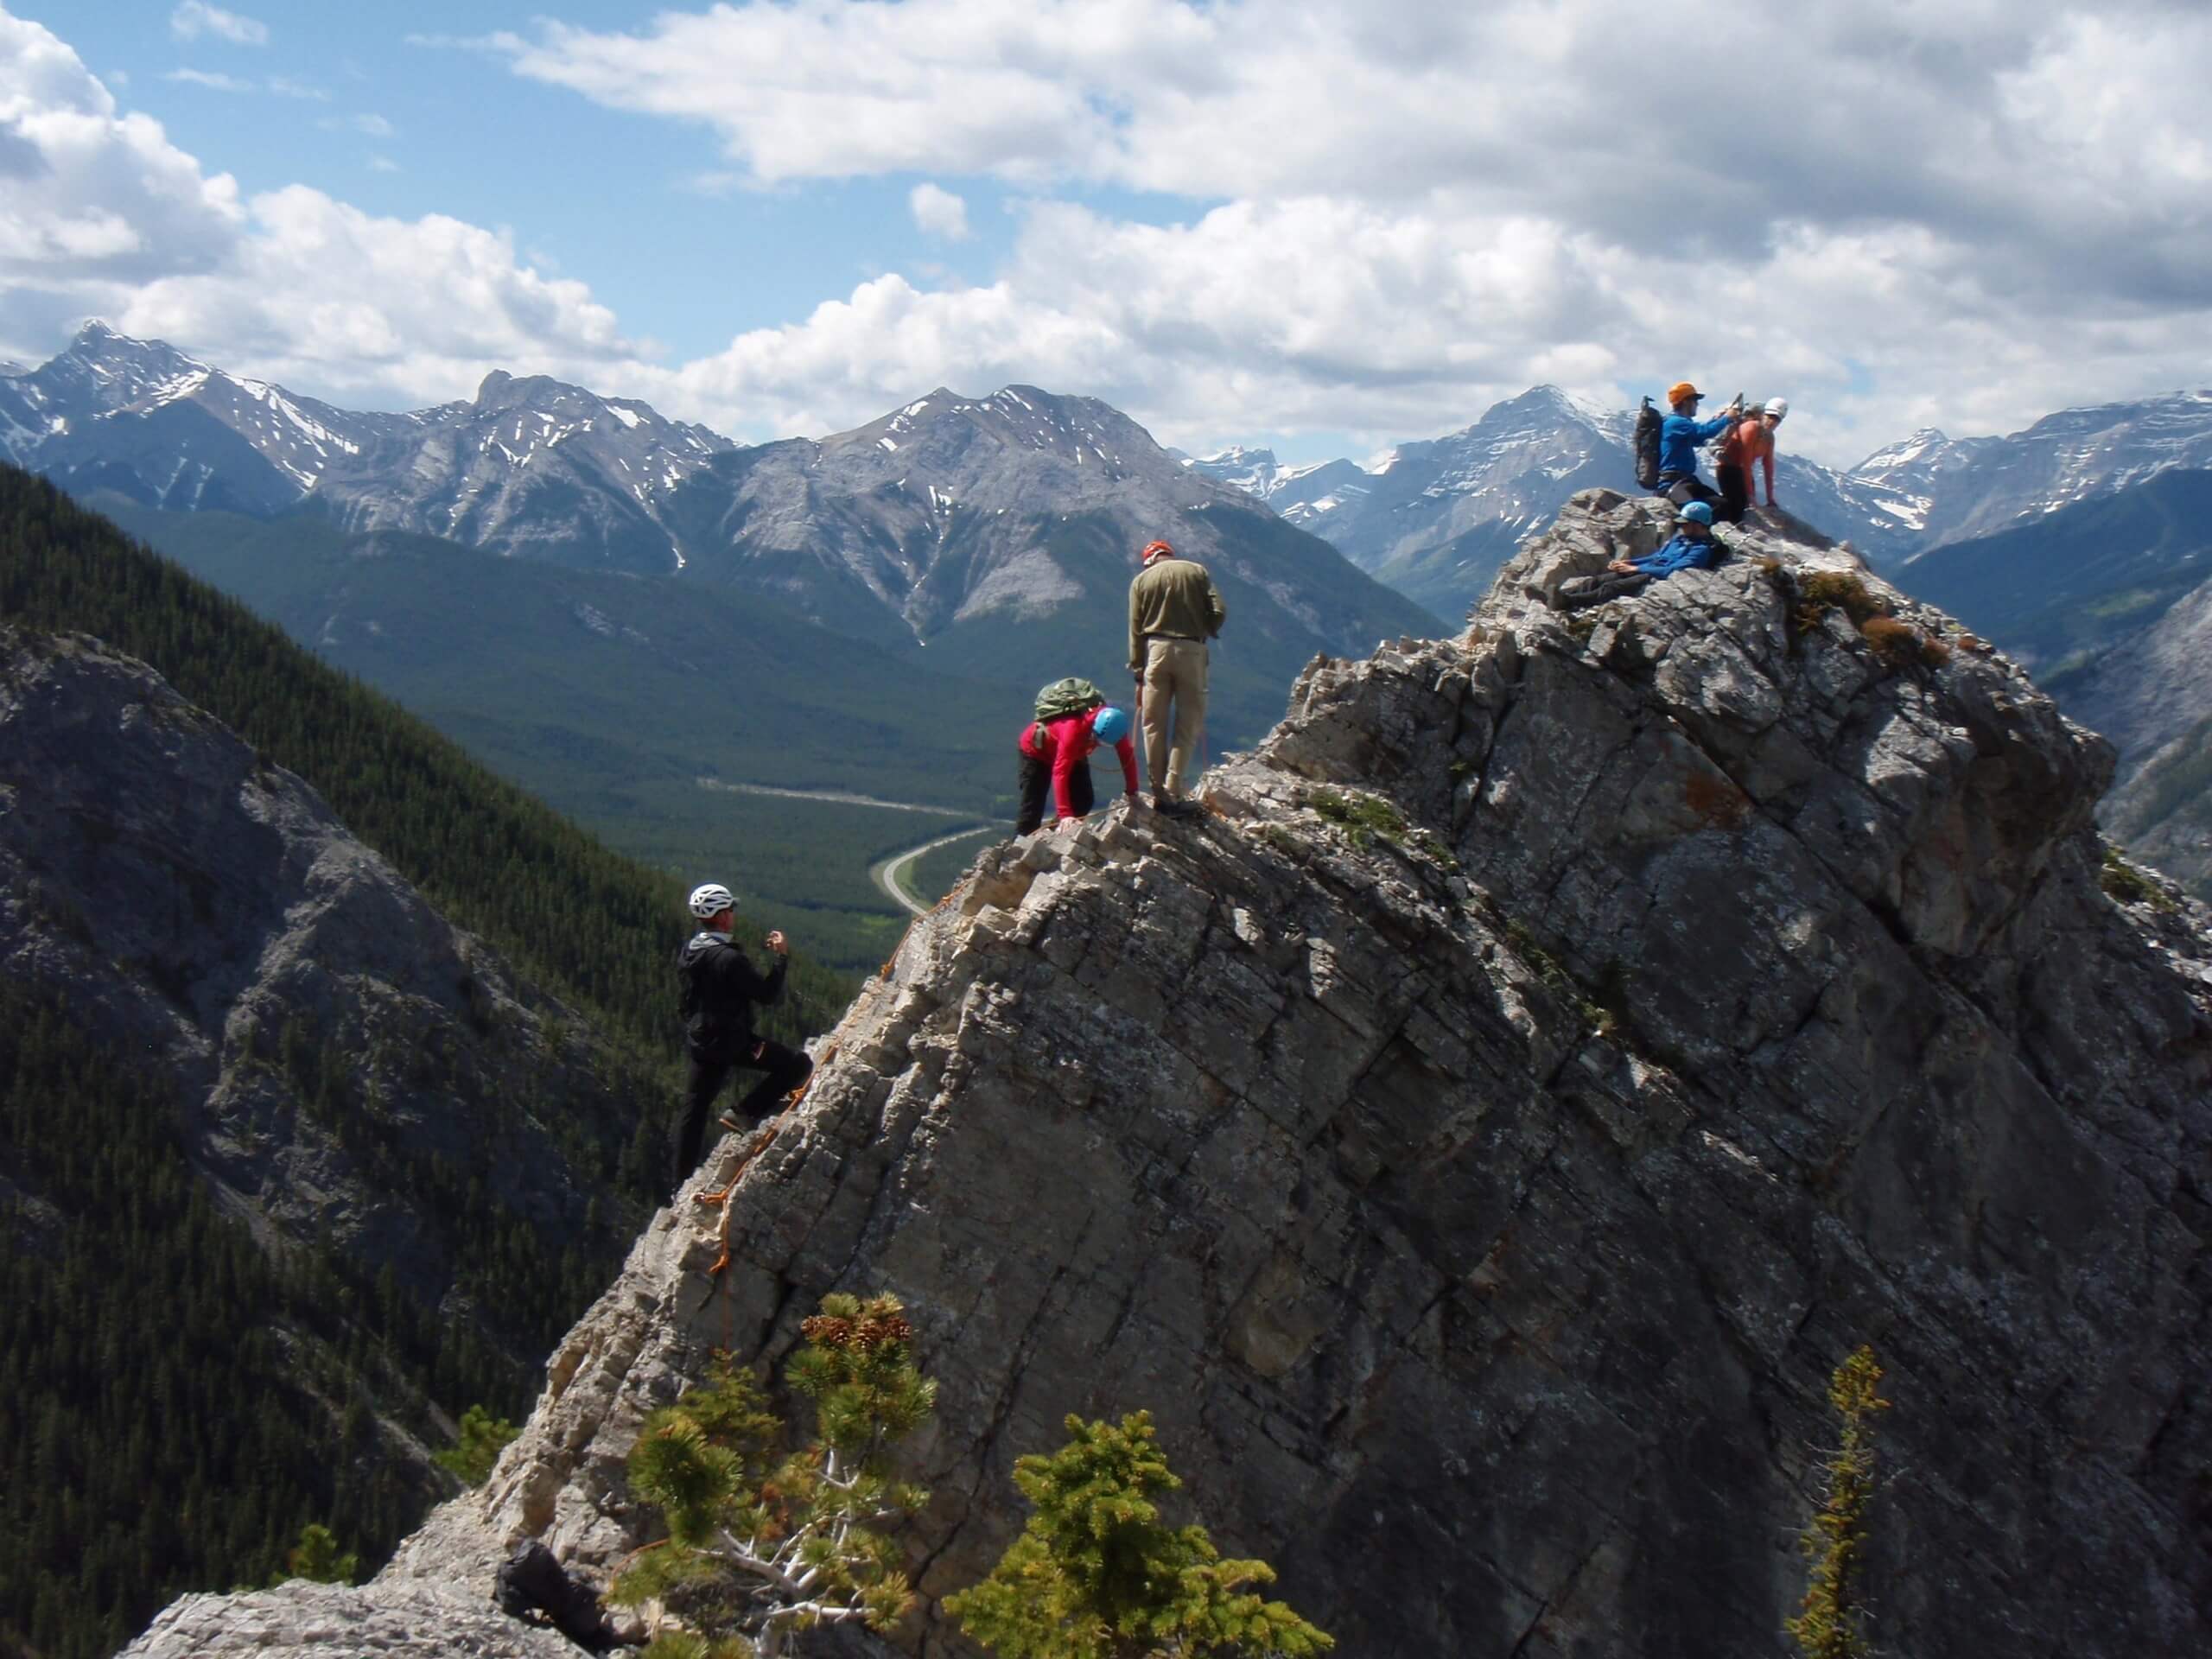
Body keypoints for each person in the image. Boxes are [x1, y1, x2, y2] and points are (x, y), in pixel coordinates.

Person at [671, 882, 811, 1197]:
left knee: (693, 1110)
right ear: (721, 917)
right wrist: (781, 959)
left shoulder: (691, 951)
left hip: (700, 1040)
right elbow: (767, 994)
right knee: (796, 1064)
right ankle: (745, 1111)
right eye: (730, 909)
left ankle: (678, 1185)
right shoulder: (729, 959)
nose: (733, 914)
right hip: (733, 1042)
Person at [1126, 538, 1225, 816]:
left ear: (1149, 560)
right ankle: (1174, 789)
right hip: (1192, 650)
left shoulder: (1141, 581)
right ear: (1170, 554)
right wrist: (1205, 629)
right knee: (1187, 722)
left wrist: (1138, 669)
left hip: (1155, 652)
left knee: (1153, 723)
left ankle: (1157, 791)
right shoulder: (1197, 572)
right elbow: (1219, 610)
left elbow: (1135, 629)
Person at [1556, 500, 1726, 610]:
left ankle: (1570, 603)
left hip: (1654, 578)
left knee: (1612, 588)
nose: (1682, 527)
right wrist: (1629, 562)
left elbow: (1673, 571)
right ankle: (1563, 596)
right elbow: (1658, 556)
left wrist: (1635, 568)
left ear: (1698, 525)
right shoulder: (1681, 539)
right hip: (1647, 568)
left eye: (1686, 523)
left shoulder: (1701, 550)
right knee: (1597, 580)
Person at [1016, 700, 1139, 834]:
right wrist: (1065, 814)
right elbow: (1060, 773)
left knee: (1083, 800)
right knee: (1032, 808)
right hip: (1036, 752)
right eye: (1096, 740)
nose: (1097, 745)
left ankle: (1052, 834)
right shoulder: (1073, 729)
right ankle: (1019, 846)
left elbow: (1128, 758)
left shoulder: (1116, 730)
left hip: (1074, 752)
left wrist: (1132, 792)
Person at [1656, 381, 1741, 512]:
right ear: (1686, 402)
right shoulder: (1677, 423)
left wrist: (1716, 419)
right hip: (1674, 483)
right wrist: (1727, 418)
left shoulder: (1677, 423)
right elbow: (1705, 432)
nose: (1697, 404)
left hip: (1682, 481)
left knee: (1720, 504)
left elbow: (1699, 438)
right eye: (1695, 400)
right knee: (1707, 509)